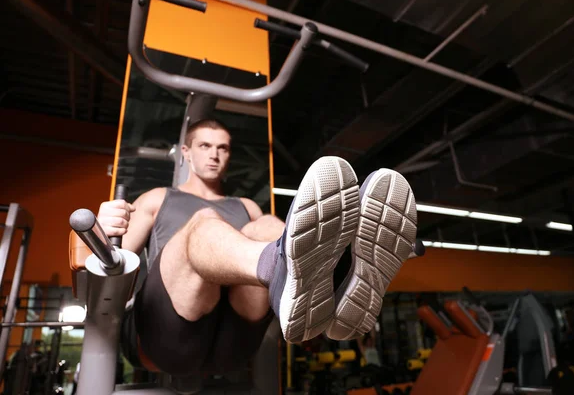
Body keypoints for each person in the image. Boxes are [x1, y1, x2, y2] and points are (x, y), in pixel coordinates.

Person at [98, 118, 418, 377]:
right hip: (168, 333)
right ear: (186, 151)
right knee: (204, 222)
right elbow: (110, 272)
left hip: (234, 344)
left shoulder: (246, 206)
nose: (214, 154)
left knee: (264, 225)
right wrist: (104, 230)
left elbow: (264, 228)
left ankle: (332, 279)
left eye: (222, 148)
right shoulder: (156, 198)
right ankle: (290, 269)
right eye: (205, 146)